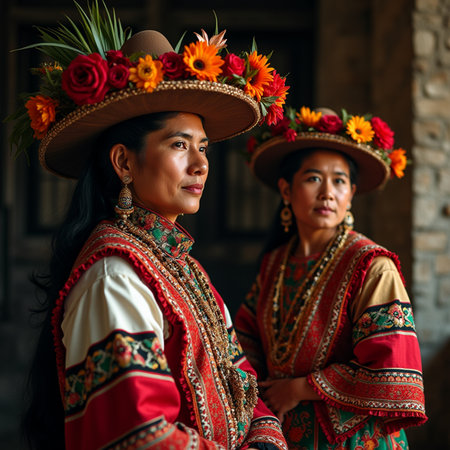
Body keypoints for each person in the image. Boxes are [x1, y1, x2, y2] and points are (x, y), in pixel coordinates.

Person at [9, 2, 290, 449]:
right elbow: (137, 432)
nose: (200, 165)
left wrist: (263, 438)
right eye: (180, 145)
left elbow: (244, 384)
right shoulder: (114, 275)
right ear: (124, 162)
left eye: (204, 148)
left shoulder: (182, 268)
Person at [235, 106, 427, 448]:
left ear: (351, 193)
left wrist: (297, 389)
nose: (327, 193)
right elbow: (245, 338)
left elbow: (392, 369)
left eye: (339, 181)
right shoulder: (274, 263)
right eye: (313, 178)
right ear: (285, 190)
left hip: (353, 439)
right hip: (280, 433)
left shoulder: (372, 265)